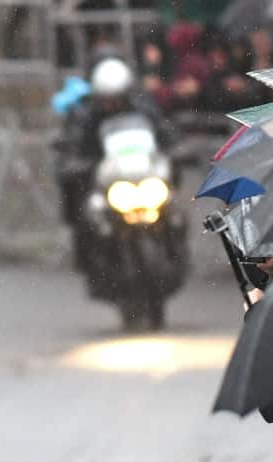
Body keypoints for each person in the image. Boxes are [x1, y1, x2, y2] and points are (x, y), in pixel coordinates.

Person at [56, 57, 175, 291]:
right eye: (107, 99)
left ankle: (173, 249)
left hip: (141, 174)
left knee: (173, 206)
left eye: (117, 98)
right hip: (108, 179)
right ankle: (92, 263)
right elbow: (75, 143)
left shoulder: (143, 108)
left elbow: (164, 132)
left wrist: (175, 149)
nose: (112, 104)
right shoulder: (86, 114)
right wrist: (76, 162)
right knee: (89, 213)